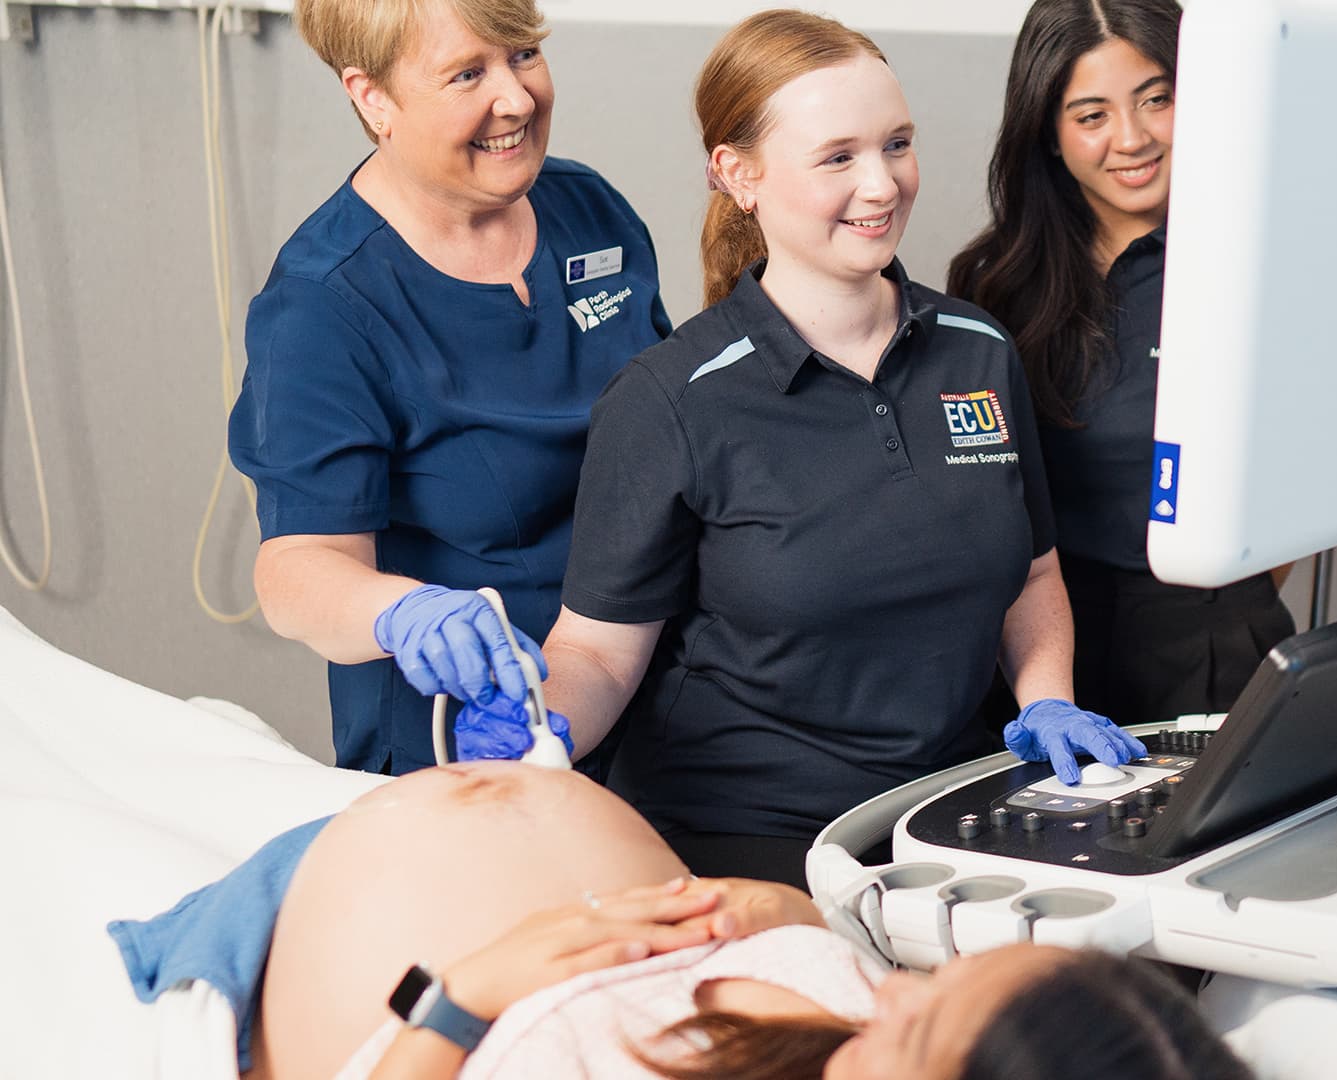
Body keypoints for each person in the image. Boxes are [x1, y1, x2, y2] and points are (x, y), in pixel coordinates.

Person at [495, 10, 1141, 888]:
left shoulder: (977, 349)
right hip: (744, 838)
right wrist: (540, 732)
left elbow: (1030, 574)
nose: (881, 186)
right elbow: (599, 653)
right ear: (739, 175)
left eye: (897, 145)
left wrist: (1049, 698)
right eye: (837, 157)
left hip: (939, 815)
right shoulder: (672, 400)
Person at [111, 762, 1251, 1079]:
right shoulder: (867, 1034)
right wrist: (791, 917)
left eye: (918, 1024)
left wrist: (463, 1001)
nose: (889, 987)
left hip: (385, 985)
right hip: (401, 840)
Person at [227, 0, 671, 776]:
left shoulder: (589, 211)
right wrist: (402, 613)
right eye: (468, 73)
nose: (518, 98)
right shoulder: (324, 304)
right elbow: (297, 568)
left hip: (661, 704)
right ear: (373, 98)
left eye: (523, 55)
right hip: (482, 736)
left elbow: (677, 429)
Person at [949, 0, 1296, 729]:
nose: (1132, 139)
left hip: (1208, 645)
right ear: (1048, 132)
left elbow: (1309, 465)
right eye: (1091, 115)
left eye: (1156, 99)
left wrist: (1218, 608)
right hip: (1035, 655)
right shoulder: (995, 281)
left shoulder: (1260, 261)